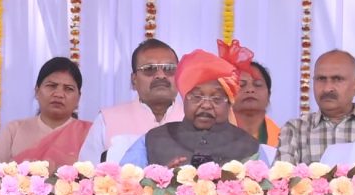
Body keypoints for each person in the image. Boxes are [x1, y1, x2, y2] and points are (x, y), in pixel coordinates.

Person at [120, 49, 272, 167]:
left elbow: (266, 193)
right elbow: (125, 187)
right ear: (184, 99)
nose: (206, 105)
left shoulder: (250, 147)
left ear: (229, 104)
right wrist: (159, 182)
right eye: (197, 97)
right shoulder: (152, 140)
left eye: (216, 98)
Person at [79, 37, 181, 162]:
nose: (160, 75)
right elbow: (87, 171)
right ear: (134, 79)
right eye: (149, 69)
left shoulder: (194, 120)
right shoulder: (107, 120)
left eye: (169, 68)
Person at [275, 50, 355, 164]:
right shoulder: (295, 129)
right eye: (321, 79)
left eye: (337, 79)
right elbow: (283, 174)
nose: (327, 88)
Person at [0, 56, 91, 165]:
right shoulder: (14, 130)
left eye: (68, 89)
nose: (59, 94)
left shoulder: (90, 133)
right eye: (51, 86)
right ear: (37, 91)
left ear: (78, 98)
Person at [228, 47, 281, 149]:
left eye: (258, 84)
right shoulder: (215, 136)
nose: (250, 90)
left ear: (269, 95)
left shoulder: (282, 139)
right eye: (241, 85)